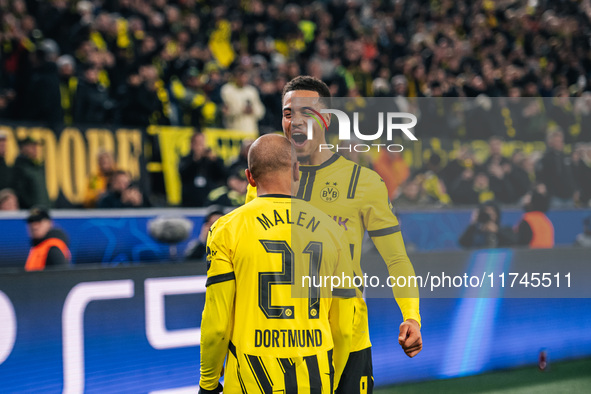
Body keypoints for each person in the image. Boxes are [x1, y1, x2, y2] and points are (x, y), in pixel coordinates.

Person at [245, 76, 422, 393]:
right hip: (285, 341)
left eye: (306, 112)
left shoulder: (364, 183)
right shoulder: (265, 180)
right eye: (288, 113)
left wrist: (411, 316)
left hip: (348, 340)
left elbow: (396, 258)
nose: (296, 121)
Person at [199, 135, 355, 393]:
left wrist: (208, 383)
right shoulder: (333, 230)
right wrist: (332, 380)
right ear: (297, 170)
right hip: (315, 376)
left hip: (251, 379)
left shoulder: (226, 229)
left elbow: (216, 325)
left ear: (250, 177)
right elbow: (343, 327)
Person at [179, 132, 227, 207]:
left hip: (210, 201)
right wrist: (195, 160)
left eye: (202, 143)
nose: (200, 146)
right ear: (192, 145)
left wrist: (215, 161)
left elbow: (223, 175)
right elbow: (183, 174)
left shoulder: (211, 159)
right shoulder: (186, 159)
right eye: (198, 143)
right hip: (190, 201)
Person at [24, 207, 71, 271]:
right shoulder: (37, 246)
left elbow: (63, 276)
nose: (34, 226)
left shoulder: (53, 249)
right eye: (31, 222)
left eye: (39, 221)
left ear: (49, 223)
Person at [220, 67, 265, 133]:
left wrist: (253, 110)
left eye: (245, 77)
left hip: (250, 130)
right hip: (233, 130)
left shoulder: (251, 91)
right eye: (240, 77)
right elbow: (226, 111)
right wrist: (241, 110)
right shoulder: (227, 90)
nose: (242, 79)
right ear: (234, 77)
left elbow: (260, 111)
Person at [12, 137, 50, 209]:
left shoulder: (36, 167)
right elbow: (21, 193)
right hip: (31, 213)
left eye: (36, 146)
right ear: (22, 148)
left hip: (43, 211)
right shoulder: (20, 167)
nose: (35, 149)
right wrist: (32, 208)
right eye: (31, 146)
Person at [514, 185, 555, 249]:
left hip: (532, 256)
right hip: (546, 256)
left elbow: (522, 244)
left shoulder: (528, 220)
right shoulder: (546, 220)